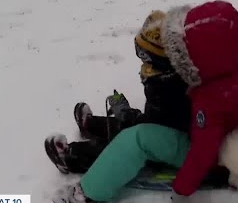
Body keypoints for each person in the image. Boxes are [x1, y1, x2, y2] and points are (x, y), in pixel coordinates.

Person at [52, 1, 238, 203]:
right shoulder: (232, 63)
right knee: (149, 123)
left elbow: (202, 153)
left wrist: (182, 190)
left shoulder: (210, 100)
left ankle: (87, 191)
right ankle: (97, 128)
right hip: (213, 132)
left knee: (138, 140)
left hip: (215, 156)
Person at [44, 10, 192, 175]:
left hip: (173, 143)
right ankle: (92, 125)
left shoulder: (167, 87)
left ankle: (72, 157)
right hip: (172, 130)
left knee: (125, 145)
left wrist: (127, 114)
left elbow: (154, 127)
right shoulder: (175, 75)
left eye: (144, 55)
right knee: (131, 127)